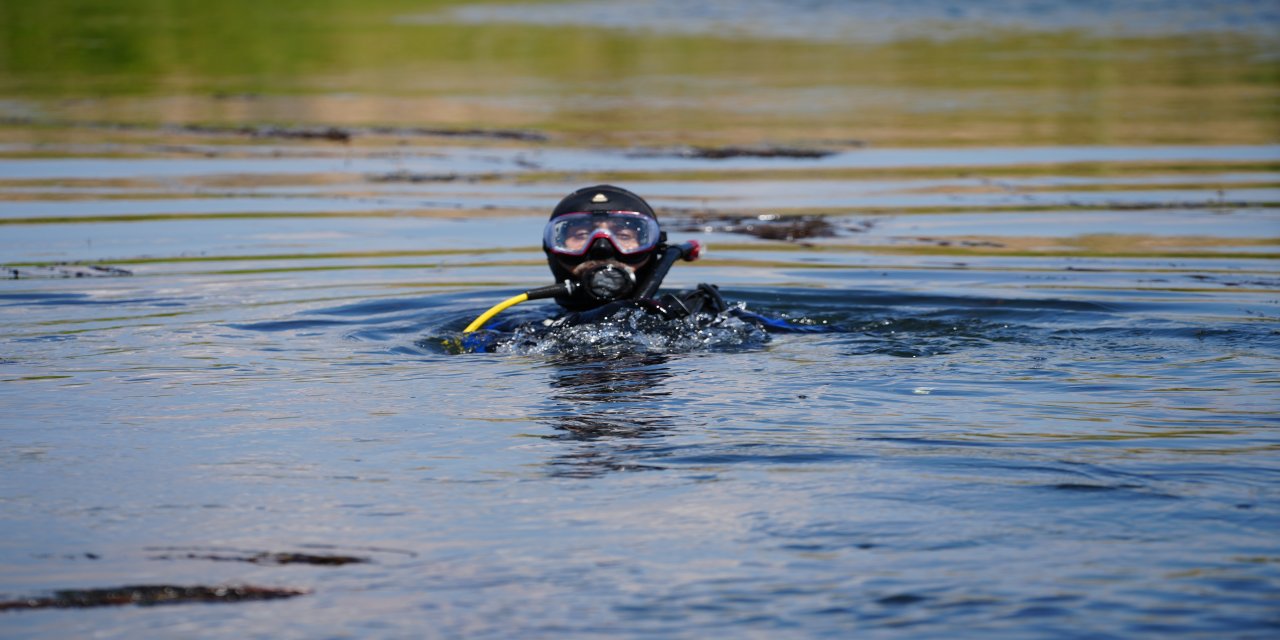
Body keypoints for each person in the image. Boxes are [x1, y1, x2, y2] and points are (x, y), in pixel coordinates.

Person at [541, 184, 727, 324]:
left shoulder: (699, 315)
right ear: (550, 249)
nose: (602, 248)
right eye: (581, 235)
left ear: (655, 247)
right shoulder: (523, 324)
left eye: (623, 235)